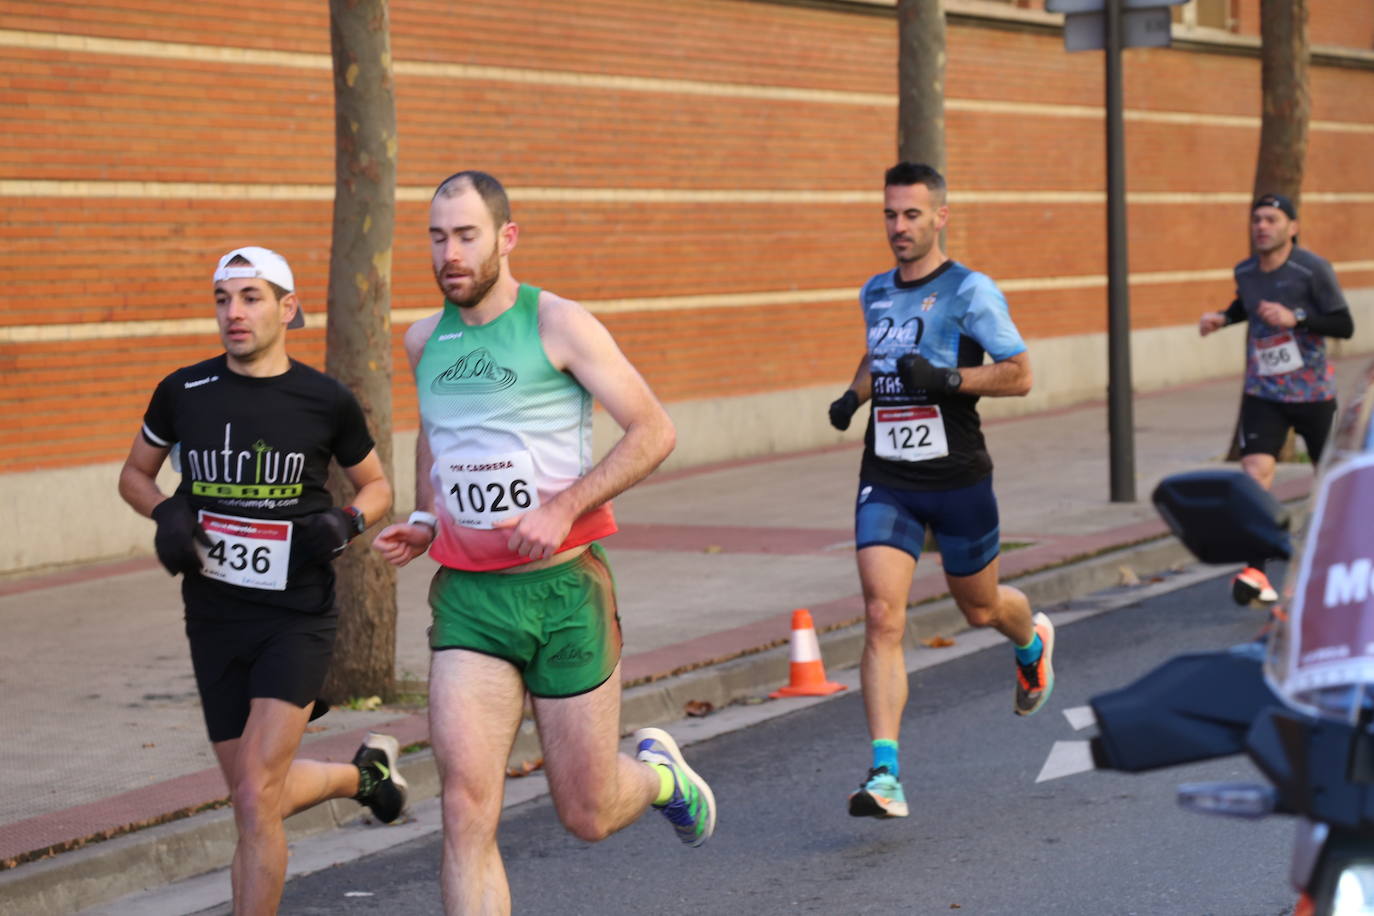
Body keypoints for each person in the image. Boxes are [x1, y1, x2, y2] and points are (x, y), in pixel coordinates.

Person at [371, 170, 715, 914]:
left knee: (586, 813)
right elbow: (439, 440)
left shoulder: (559, 323)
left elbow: (654, 431)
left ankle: (661, 778)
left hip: (563, 592)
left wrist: (565, 506)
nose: (450, 253)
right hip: (469, 599)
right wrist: (429, 519)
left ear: (506, 237)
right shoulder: (424, 339)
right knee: (465, 809)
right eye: (437, 237)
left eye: (466, 236)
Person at [118, 246, 406, 914]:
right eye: (223, 299)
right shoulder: (182, 391)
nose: (234, 313)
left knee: (253, 798)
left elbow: (378, 485)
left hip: (296, 614)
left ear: (288, 308)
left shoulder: (324, 398)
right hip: (213, 618)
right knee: (256, 792)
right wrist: (166, 513)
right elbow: (135, 473)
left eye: (250, 297)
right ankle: (364, 776)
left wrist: (346, 522)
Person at [826, 162, 1054, 819]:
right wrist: (853, 394)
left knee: (980, 610)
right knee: (880, 614)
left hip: (957, 478)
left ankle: (1031, 641)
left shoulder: (970, 291)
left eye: (912, 215)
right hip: (889, 477)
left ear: (940, 217)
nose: (899, 227)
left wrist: (949, 380)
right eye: (890, 215)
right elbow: (879, 351)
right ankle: (885, 773)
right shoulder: (874, 291)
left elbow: (1020, 374)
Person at [1198, 193, 1355, 605]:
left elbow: (1345, 324)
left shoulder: (1312, 269)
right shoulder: (1246, 270)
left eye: (1271, 219)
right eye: (1256, 220)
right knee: (1255, 471)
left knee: (1332, 479)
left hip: (1313, 393)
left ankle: (1343, 557)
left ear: (1292, 227)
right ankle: (1256, 570)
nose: (1262, 226)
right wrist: (1223, 318)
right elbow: (1246, 305)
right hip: (1263, 391)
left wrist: (1297, 318)